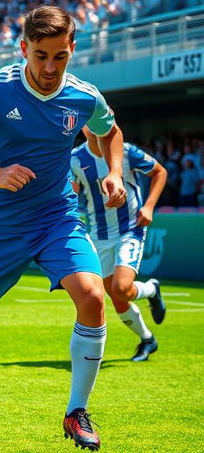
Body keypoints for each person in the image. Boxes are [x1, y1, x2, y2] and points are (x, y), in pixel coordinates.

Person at [0, 5, 126, 452]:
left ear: (72, 50)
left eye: (60, 56)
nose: (50, 68)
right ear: (23, 49)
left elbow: (110, 132)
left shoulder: (84, 96)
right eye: (40, 56)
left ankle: (76, 411)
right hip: (0, 224)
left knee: (93, 297)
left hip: (57, 215)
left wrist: (112, 171)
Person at [70, 127, 167, 361]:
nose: (93, 127)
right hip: (98, 235)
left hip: (129, 229)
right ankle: (147, 339)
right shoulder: (74, 158)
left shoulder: (125, 152)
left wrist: (149, 206)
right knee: (117, 299)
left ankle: (152, 289)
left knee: (121, 289)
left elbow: (159, 172)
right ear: (83, 126)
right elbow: (72, 194)